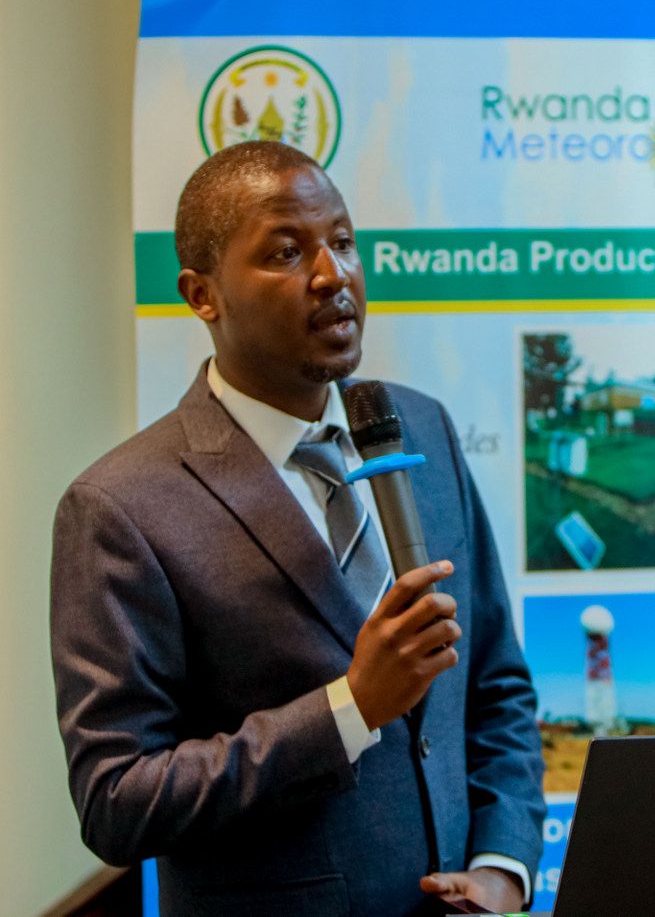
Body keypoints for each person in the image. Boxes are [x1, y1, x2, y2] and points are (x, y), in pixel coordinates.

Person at [50, 141, 545, 917]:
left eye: (342, 242)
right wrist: (348, 709)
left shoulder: (422, 427)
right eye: (286, 252)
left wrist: (503, 866)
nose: (331, 275)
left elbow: (495, 684)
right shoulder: (122, 508)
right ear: (202, 295)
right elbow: (117, 801)